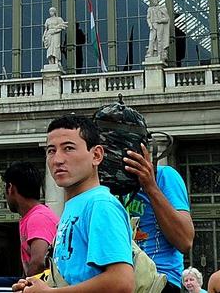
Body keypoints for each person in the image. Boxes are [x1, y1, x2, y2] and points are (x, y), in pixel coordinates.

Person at [14, 115, 134, 293]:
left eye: (68, 148)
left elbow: (122, 281)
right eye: (51, 151)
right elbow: (75, 277)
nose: (57, 160)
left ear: (96, 155)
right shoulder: (75, 205)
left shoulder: (100, 204)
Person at [0, 162, 60, 293]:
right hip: (34, 282)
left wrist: (24, 288)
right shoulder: (33, 216)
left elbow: (39, 263)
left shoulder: (39, 217)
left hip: (43, 285)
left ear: (10, 188)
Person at [121, 138, 193, 291]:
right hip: (120, 280)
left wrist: (150, 186)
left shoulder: (164, 176)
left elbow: (185, 241)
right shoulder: (102, 187)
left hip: (158, 280)